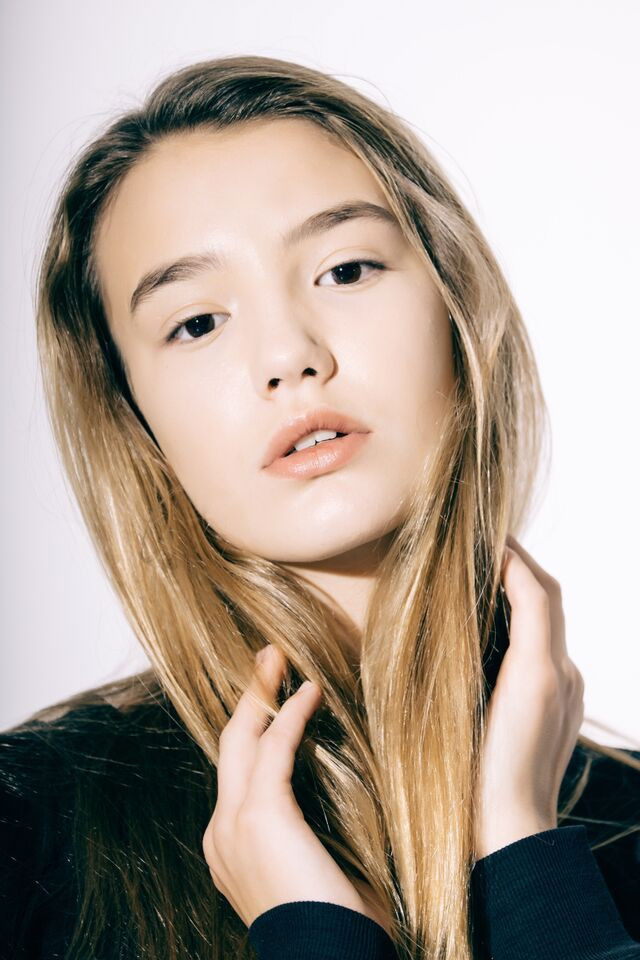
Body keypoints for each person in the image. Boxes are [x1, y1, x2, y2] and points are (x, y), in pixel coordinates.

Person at [1, 54, 638, 960]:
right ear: (131, 413)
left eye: (344, 270)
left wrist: (525, 850)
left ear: (455, 304)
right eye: (197, 322)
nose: (289, 356)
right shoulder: (27, 830)